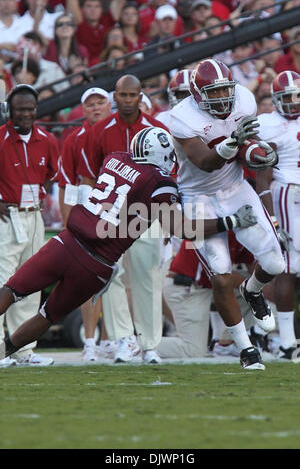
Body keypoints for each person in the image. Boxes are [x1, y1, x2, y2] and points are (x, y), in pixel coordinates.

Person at [0, 126, 258, 366]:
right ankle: (4, 352)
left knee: (12, 290)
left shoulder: (115, 159)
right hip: (96, 265)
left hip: (66, 243)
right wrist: (231, 221)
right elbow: (181, 228)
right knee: (47, 316)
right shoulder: (159, 182)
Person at [168, 59, 285, 370]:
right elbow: (205, 162)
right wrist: (235, 142)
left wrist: (260, 152)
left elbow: (248, 142)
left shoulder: (244, 99)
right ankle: (246, 349)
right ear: (195, 94)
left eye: (224, 91)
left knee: (276, 262)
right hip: (198, 196)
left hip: (235, 189)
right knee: (220, 277)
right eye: (213, 92)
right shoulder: (181, 117)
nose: (222, 98)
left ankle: (252, 290)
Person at [78, 74, 174, 364]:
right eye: (123, 95)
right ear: (115, 98)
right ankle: (122, 340)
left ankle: (149, 345)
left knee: (147, 277)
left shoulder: (157, 128)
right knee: (112, 276)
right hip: (111, 214)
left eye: (133, 95)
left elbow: (169, 177)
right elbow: (89, 178)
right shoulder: (99, 131)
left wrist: (168, 219)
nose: (128, 100)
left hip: (147, 214)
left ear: (140, 95)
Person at [0, 84, 59, 367]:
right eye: (20, 109)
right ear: (10, 110)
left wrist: (41, 194)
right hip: (6, 216)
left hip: (34, 216)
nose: (25, 113)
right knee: (3, 280)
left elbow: (52, 173)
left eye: (30, 109)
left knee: (30, 282)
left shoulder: (47, 139)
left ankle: (23, 350)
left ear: (37, 110)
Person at [58, 86, 112, 362]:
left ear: (108, 104)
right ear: (83, 109)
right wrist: (69, 223)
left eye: (100, 102)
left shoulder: (118, 132)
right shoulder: (73, 140)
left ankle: (116, 339)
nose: (95, 108)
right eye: (89, 104)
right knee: (89, 279)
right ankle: (90, 341)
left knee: (123, 281)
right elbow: (66, 184)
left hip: (122, 213)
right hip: (88, 214)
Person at [256, 70, 300, 359]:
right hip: (288, 192)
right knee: (289, 265)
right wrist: (270, 216)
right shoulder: (269, 125)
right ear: (275, 100)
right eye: (287, 98)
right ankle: (286, 342)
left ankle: (266, 334)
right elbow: (263, 175)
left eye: (297, 97)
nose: (293, 103)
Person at [76, 0, 126, 66]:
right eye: (89, 6)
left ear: (101, 9)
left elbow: (119, 1)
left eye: (97, 6)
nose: (93, 10)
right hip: (89, 66)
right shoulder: (78, 24)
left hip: (112, 62)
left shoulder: (107, 21)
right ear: (81, 10)